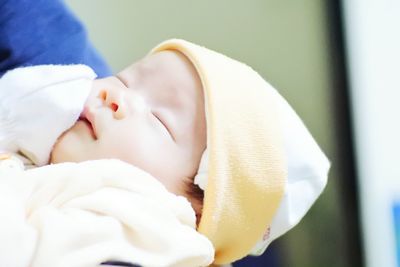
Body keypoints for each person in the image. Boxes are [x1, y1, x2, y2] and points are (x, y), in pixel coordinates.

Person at [0, 39, 330, 266]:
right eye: (125, 80)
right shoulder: (64, 169)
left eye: (160, 120)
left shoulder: (147, 228)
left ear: (199, 210)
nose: (112, 94)